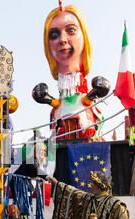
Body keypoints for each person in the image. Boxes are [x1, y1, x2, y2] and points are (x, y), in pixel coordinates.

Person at [39, 3, 105, 141]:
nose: (62, 40)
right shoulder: (56, 108)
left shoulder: (86, 101)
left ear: (84, 36)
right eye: (54, 34)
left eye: (71, 30)